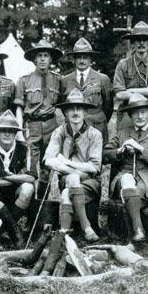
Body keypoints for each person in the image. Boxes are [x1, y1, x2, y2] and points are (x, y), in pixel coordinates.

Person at [105, 93, 148, 242]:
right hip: (125, 177)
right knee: (128, 180)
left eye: (143, 112)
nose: (140, 116)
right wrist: (119, 150)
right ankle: (138, 230)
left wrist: (141, 149)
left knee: (132, 192)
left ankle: (134, 230)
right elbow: (104, 156)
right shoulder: (122, 134)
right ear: (130, 115)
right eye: (136, 113)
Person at [43, 89, 103, 242]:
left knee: (66, 193)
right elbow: (47, 160)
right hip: (67, 180)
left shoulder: (95, 134)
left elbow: (94, 167)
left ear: (85, 112)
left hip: (90, 182)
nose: (75, 112)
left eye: (79, 108)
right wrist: (70, 171)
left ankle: (63, 235)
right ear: (65, 112)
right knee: (71, 180)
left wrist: (68, 162)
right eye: (71, 109)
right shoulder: (59, 132)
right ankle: (86, 228)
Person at [0, 110, 35, 248]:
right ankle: (15, 231)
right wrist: (16, 178)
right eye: (3, 130)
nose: (7, 134)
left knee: (28, 188)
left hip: (16, 193)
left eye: (11, 131)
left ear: (16, 133)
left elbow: (31, 177)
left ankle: (3, 229)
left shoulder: (24, 149)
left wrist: (9, 176)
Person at [15, 39, 63, 199]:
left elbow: (64, 105)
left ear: (50, 59)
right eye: (39, 55)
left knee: (47, 168)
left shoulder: (58, 80)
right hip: (33, 126)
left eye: (46, 55)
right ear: (34, 59)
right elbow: (19, 108)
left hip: (52, 126)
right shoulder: (24, 80)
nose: (42, 59)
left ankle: (42, 206)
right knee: (30, 169)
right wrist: (19, 131)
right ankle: (27, 205)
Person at [112, 21, 148, 130]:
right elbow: (119, 95)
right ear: (133, 42)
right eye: (138, 39)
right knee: (123, 142)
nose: (141, 43)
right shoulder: (123, 64)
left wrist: (131, 91)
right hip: (127, 110)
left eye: (145, 39)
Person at [60, 38, 113, 143]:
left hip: (97, 127)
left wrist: (97, 118)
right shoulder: (65, 80)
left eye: (85, 57)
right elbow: (64, 107)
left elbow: (108, 107)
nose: (82, 61)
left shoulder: (102, 79)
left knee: (98, 157)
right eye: (78, 57)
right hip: (74, 129)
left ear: (90, 59)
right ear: (74, 59)